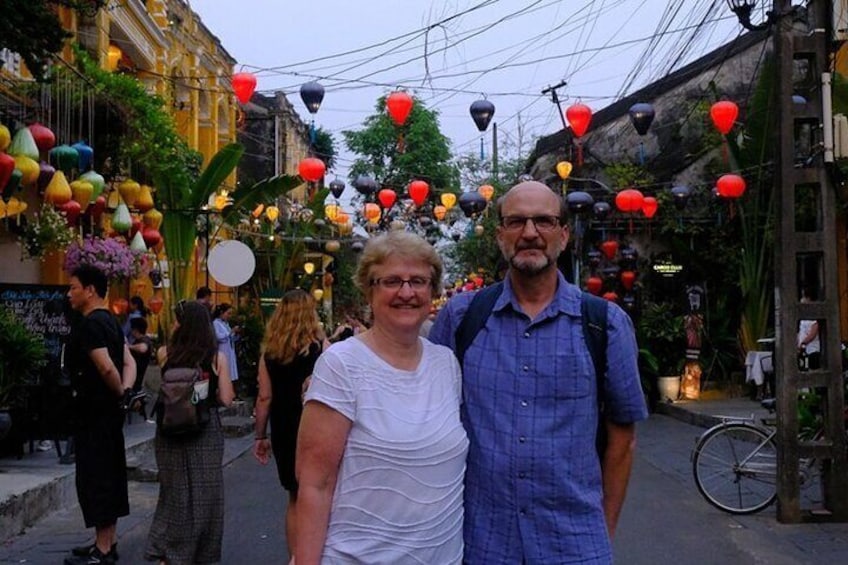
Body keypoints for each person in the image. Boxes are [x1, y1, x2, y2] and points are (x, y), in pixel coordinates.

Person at [430, 180, 648, 564]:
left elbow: (623, 438)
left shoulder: (604, 324)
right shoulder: (462, 317)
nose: (530, 233)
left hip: (575, 542)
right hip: (480, 541)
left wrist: (602, 529)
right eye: (516, 222)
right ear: (500, 235)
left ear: (563, 235)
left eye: (544, 221)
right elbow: (420, 403)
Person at [295, 231, 468, 564]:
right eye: (391, 281)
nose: (407, 292)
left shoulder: (446, 363)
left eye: (418, 281)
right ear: (369, 291)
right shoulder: (341, 364)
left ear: (432, 291)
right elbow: (316, 484)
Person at [144, 300, 235, 564]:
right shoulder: (216, 357)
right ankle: (200, 554)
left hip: (170, 431)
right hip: (204, 431)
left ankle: (168, 553)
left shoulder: (165, 353)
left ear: (183, 325)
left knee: (174, 493)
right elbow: (227, 398)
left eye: (176, 320)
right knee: (205, 496)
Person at [64, 265, 136, 565]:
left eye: (74, 288)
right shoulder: (111, 321)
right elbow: (128, 361)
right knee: (108, 472)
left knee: (96, 476)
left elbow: (106, 366)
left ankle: (103, 549)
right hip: (108, 414)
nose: (69, 294)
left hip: (94, 413)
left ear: (90, 290)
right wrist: (127, 392)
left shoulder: (91, 324)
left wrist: (118, 390)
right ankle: (106, 539)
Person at [253, 289, 328, 559]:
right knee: (320, 492)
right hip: (317, 426)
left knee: (295, 497)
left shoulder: (270, 352)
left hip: (284, 427)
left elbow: (264, 397)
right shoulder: (321, 348)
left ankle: (296, 557)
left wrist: (260, 436)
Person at [127, 316, 153, 420]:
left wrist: (129, 346)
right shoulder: (141, 340)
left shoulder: (144, 341)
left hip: (135, 376)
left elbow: (143, 348)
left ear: (135, 330)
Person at [212, 303, 240, 383]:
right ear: (222, 313)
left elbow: (230, 337)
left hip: (229, 350)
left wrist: (236, 334)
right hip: (222, 351)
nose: (229, 316)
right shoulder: (216, 323)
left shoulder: (225, 324)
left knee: (230, 372)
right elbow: (219, 337)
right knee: (224, 372)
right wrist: (231, 332)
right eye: (228, 313)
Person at [798, 287, 820, 371]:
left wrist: (803, 343)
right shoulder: (803, 316)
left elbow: (812, 334)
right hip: (803, 349)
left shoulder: (815, 317)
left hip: (813, 349)